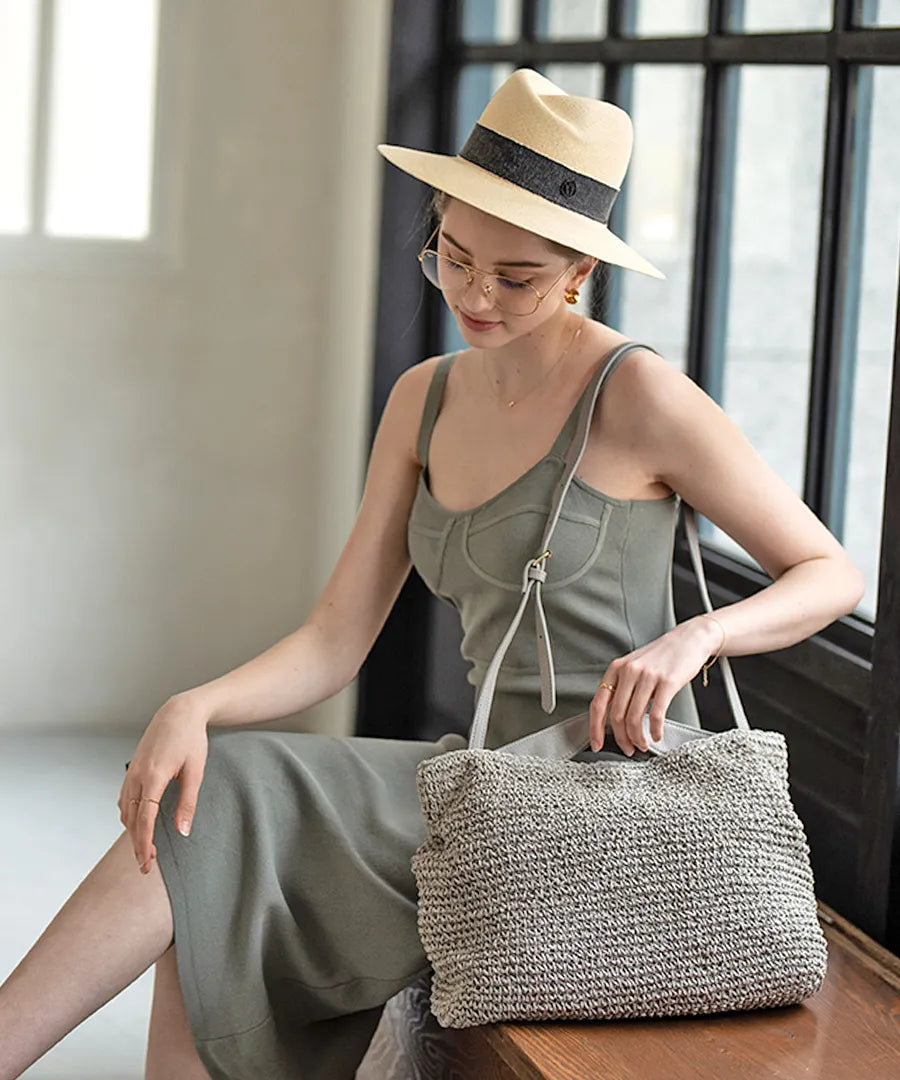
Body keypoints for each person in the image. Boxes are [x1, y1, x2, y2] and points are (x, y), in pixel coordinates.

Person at [0, 68, 865, 1080]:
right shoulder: (423, 399)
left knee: (224, 799)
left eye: (518, 277)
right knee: (209, 836)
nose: (476, 297)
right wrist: (198, 701)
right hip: (480, 783)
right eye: (452, 257)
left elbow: (829, 570)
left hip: (606, 795)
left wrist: (697, 636)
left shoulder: (640, 397)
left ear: (582, 269)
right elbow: (336, 635)